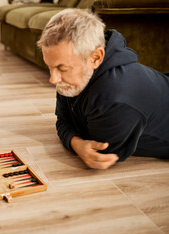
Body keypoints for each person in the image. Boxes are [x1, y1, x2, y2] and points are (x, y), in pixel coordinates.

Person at [37, 8, 169, 169]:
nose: (53, 79)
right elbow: (63, 120)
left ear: (96, 58)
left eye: (62, 68)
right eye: (49, 67)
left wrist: (74, 138)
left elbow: (98, 153)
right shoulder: (73, 77)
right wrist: (76, 143)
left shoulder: (116, 98)